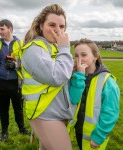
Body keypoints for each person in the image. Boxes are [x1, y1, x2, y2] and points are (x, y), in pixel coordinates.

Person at [21, 4, 76, 150]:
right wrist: (65, 49)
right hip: (45, 114)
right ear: (40, 26)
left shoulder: (52, 47)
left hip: (55, 112)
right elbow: (57, 77)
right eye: (52, 25)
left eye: (62, 26)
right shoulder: (34, 49)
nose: (58, 30)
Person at [69, 38, 120, 150]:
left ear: (95, 57)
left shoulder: (108, 82)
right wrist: (79, 77)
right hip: (79, 129)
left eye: (84, 55)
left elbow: (111, 113)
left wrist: (98, 136)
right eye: (76, 56)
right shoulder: (75, 76)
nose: (79, 59)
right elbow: (73, 99)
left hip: (95, 135)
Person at [0, 19, 30, 141]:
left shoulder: (21, 44)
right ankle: (4, 132)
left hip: (15, 83)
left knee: (18, 108)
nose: (0, 32)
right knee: (2, 109)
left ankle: (22, 129)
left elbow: (26, 62)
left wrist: (15, 65)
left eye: (2, 29)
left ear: (10, 29)